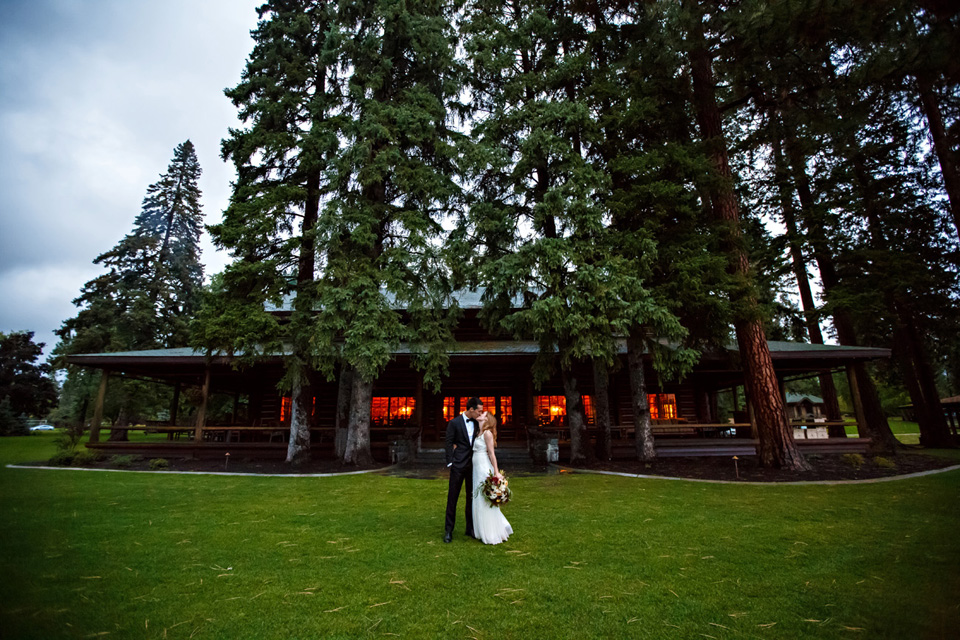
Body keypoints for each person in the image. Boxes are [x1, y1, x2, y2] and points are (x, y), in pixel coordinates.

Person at [444, 397, 483, 543]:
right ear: (471, 409)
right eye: (479, 411)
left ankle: (470, 528)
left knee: (471, 498)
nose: (480, 413)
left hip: (473, 465)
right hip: (457, 465)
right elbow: (448, 443)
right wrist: (450, 463)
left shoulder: (478, 423)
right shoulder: (454, 423)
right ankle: (448, 530)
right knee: (452, 498)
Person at [472, 411, 513, 545]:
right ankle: (481, 530)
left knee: (485, 499)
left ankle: (491, 532)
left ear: (487, 419)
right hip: (476, 468)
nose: (480, 414)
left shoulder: (487, 434)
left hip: (483, 466)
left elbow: (491, 453)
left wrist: (496, 472)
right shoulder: (478, 432)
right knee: (478, 498)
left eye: (483, 413)